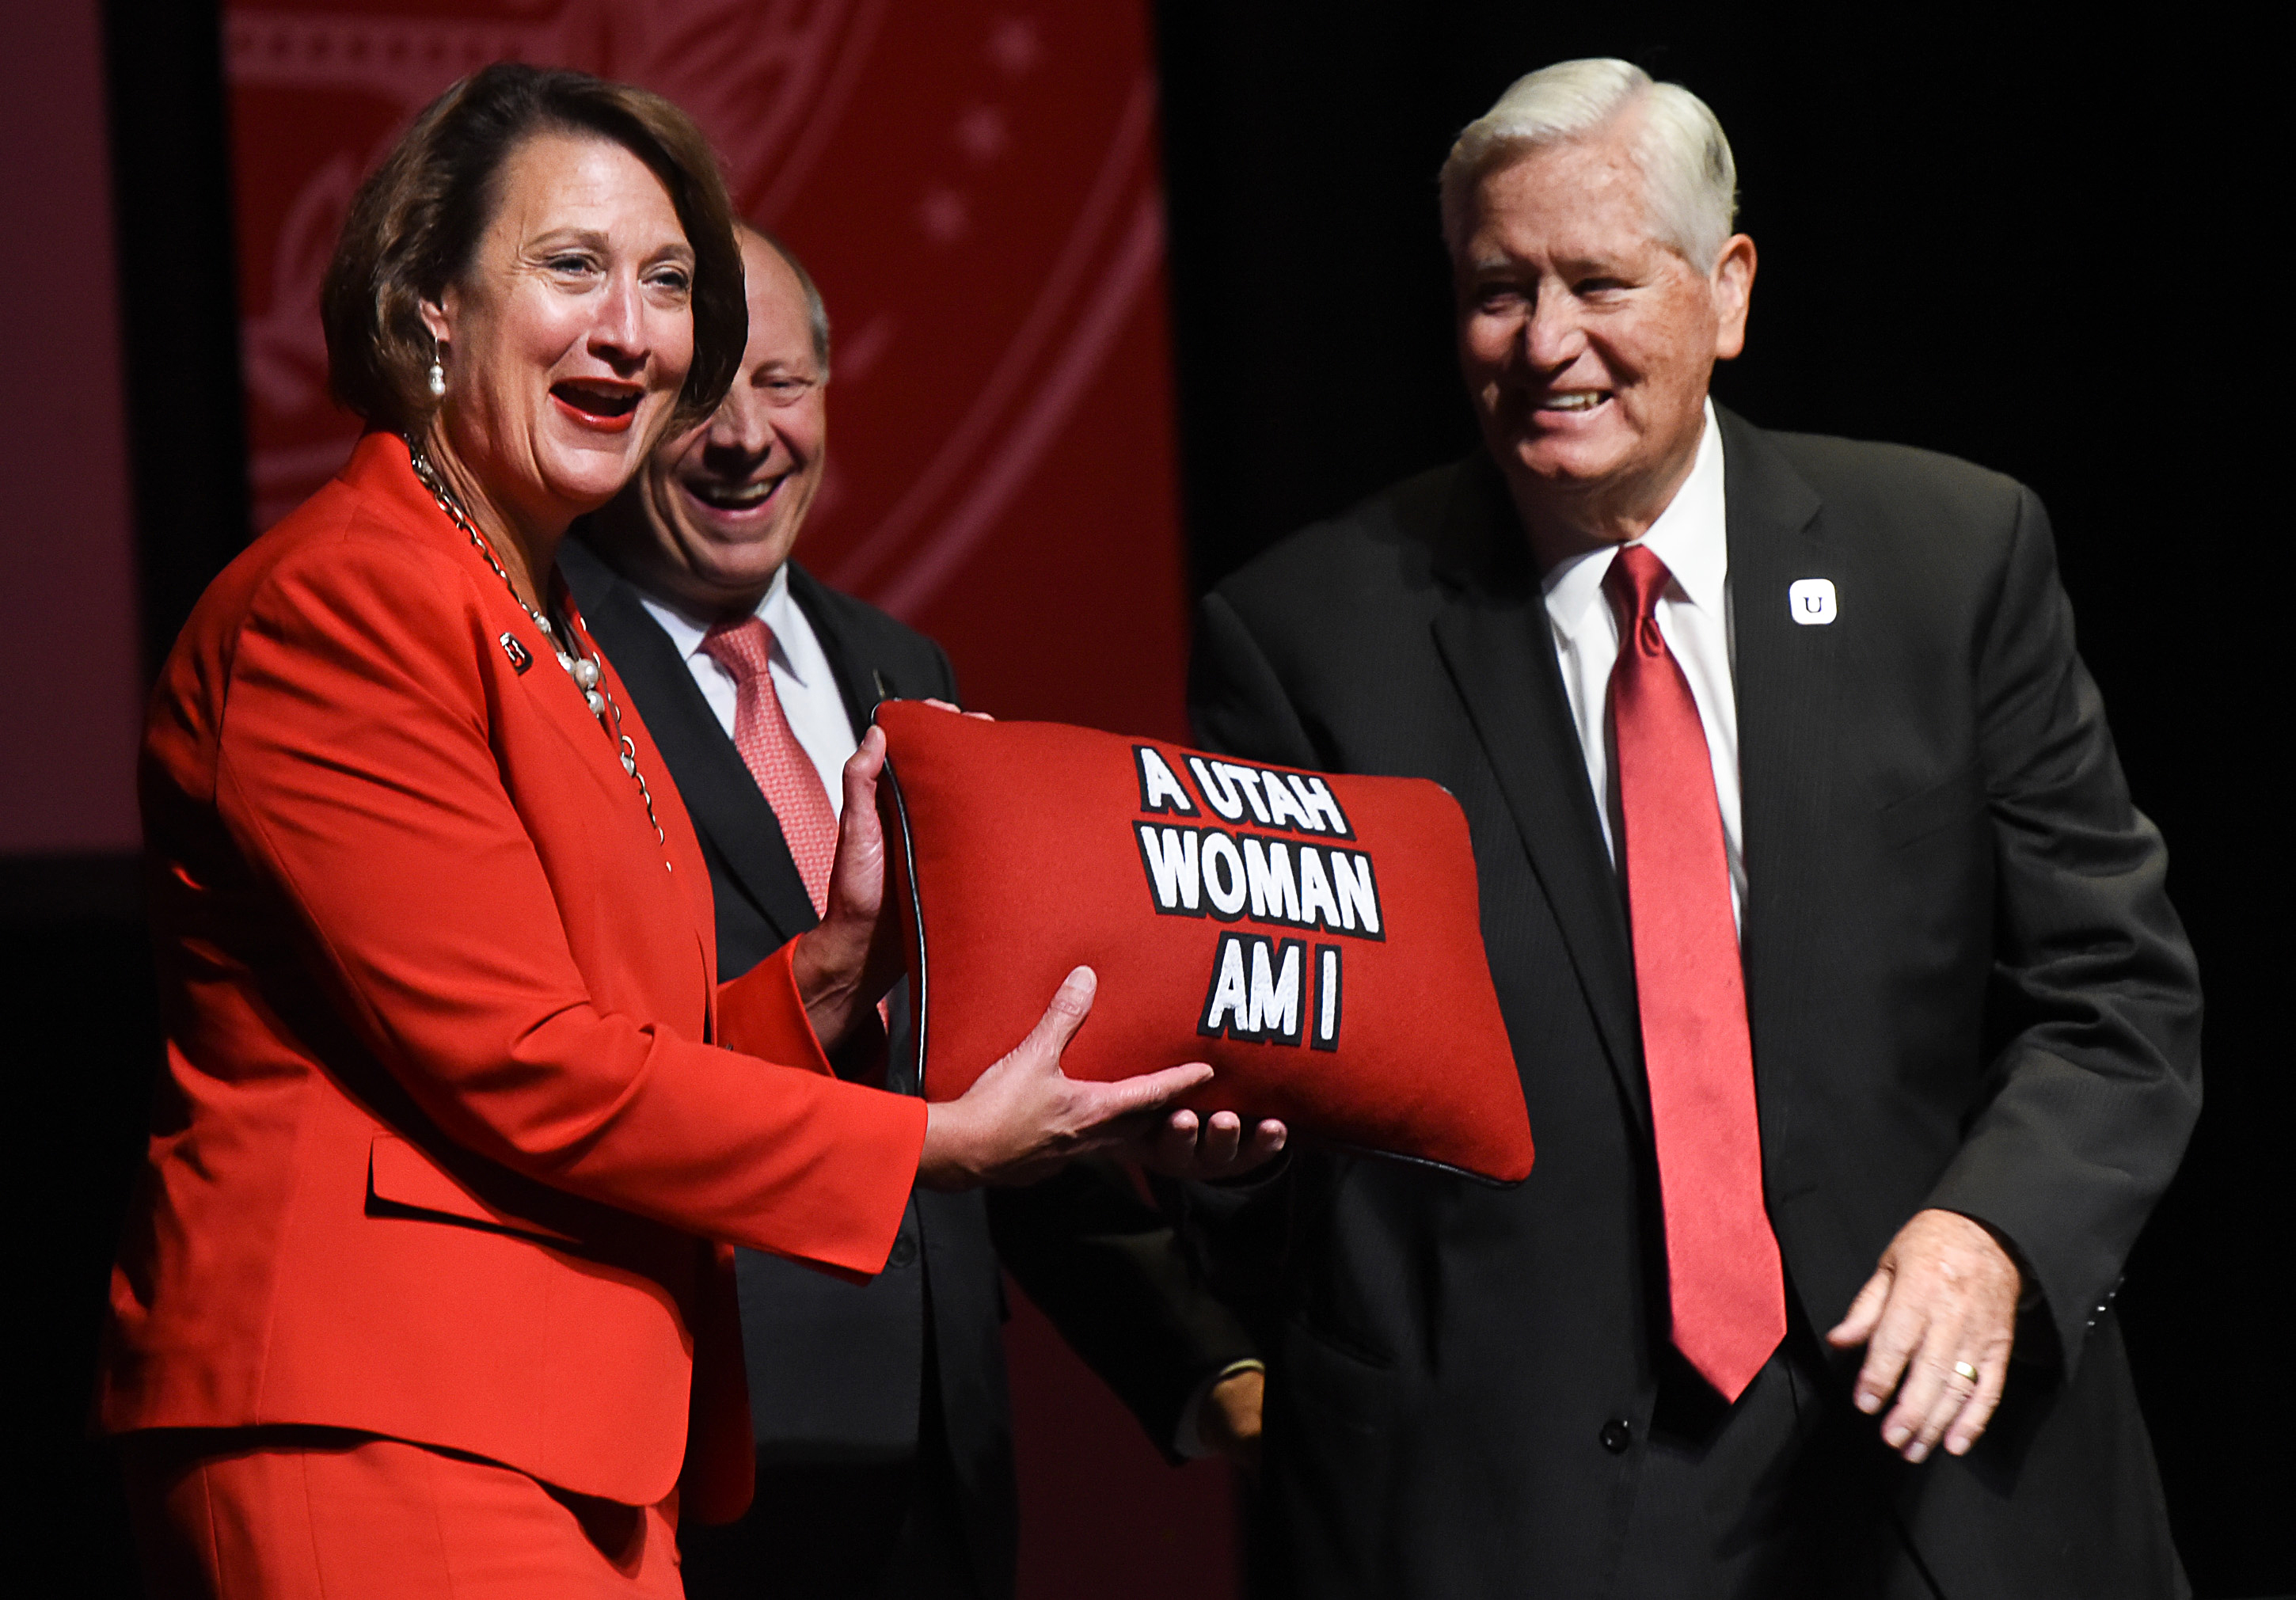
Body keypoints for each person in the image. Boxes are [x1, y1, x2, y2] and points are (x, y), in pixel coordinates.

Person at [101, 63, 1241, 1599]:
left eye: (667, 284)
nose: (634, 334)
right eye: (571, 267)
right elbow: (519, 1063)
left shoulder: (548, 619)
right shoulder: (346, 602)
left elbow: (638, 1039)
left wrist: (832, 967)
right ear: (431, 303)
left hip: (581, 1437)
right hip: (385, 1423)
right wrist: (934, 1146)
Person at [1185, 57, 2201, 1599]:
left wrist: (1992, 1235)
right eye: (1494, 290)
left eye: (1597, 281)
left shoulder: (1948, 556)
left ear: (1725, 292)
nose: (1545, 344)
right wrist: (1225, 1146)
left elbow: (2117, 996)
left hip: (1942, 1466)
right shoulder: (1309, 637)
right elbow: (1274, 1092)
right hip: (1520, 1496)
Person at [562, 222, 1272, 1600]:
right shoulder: (552, 670)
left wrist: (1201, 1360)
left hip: (938, 1472)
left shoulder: (899, 664)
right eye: (700, 391)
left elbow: (975, 1075)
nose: (743, 438)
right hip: (691, 1463)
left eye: (784, 383)